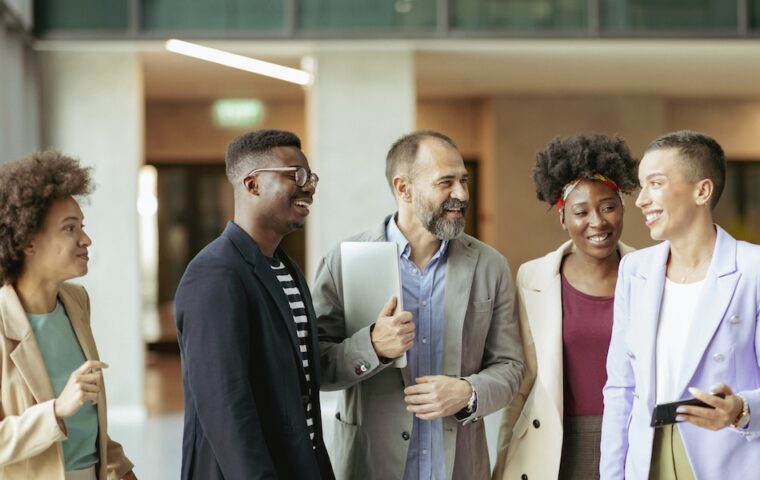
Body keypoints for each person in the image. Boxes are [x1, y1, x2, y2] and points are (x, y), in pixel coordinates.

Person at [313, 130, 524, 480]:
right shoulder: (343, 261)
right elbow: (315, 366)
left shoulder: (490, 265)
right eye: (446, 182)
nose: (461, 194)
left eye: (463, 181)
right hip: (370, 467)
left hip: (459, 469)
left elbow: (510, 366)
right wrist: (373, 348)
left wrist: (467, 392)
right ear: (403, 188)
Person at [600, 131, 760, 479]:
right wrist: (612, 474)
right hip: (649, 458)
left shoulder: (759, 266)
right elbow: (621, 388)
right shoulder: (636, 270)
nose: (641, 200)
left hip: (735, 459)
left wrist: (741, 409)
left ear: (702, 191)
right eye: (641, 185)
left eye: (655, 183)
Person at [174, 130, 334, 479]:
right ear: (252, 185)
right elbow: (226, 409)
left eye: (312, 177)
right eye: (297, 175)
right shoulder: (214, 273)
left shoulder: (285, 267)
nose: (309, 187)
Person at [494, 134, 638, 480]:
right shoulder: (533, 278)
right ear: (562, 218)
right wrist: (501, 462)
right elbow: (524, 381)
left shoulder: (651, 274)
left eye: (608, 206)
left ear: (621, 207)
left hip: (633, 440)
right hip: (554, 446)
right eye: (581, 211)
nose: (598, 222)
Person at [0, 151, 135, 480]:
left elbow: (91, 426)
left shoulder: (76, 301)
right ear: (28, 241)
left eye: (82, 227)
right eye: (70, 228)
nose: (85, 239)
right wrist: (57, 410)